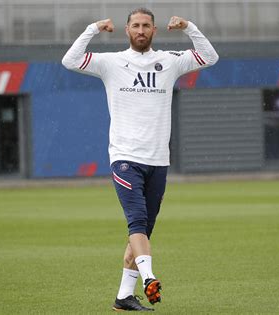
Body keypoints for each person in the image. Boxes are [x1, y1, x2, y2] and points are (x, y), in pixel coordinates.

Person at [62, 7, 218, 311]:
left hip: (159, 160)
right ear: (127, 30)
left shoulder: (169, 62)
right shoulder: (111, 63)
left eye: (147, 25)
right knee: (137, 221)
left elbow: (210, 57)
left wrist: (189, 27)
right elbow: (69, 60)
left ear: (154, 31)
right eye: (135, 25)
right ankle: (148, 278)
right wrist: (93, 28)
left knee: (142, 233)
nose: (141, 30)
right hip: (124, 157)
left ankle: (123, 297)